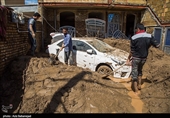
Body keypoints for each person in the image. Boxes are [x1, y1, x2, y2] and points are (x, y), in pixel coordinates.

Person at [126, 23, 160, 95]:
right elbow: (157, 45)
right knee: (140, 70)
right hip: (143, 58)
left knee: (134, 73)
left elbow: (132, 51)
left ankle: (136, 91)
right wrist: (148, 45)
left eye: (136, 29)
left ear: (138, 29)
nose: (135, 30)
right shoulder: (149, 36)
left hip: (136, 58)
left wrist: (128, 58)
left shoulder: (134, 37)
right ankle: (139, 85)